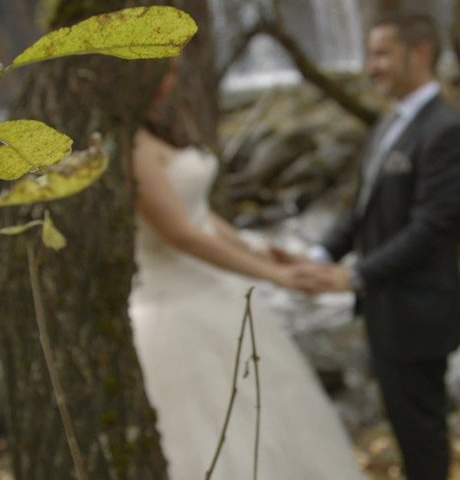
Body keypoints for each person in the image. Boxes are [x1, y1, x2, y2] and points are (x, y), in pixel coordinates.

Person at [128, 63, 363, 479]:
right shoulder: (131, 147)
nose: (169, 81)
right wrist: (273, 276)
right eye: (160, 70)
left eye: (171, 70)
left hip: (217, 294)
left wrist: (260, 250)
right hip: (176, 312)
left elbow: (201, 216)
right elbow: (182, 235)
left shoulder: (159, 129)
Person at [302, 12, 460, 480]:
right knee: (404, 427)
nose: (371, 66)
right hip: (383, 309)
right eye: (370, 54)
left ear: (419, 54)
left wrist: (356, 275)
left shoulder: (448, 131)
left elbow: (432, 228)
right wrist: (319, 258)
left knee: (423, 437)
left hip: (419, 316)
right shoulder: (387, 126)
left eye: (381, 53)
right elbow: (361, 212)